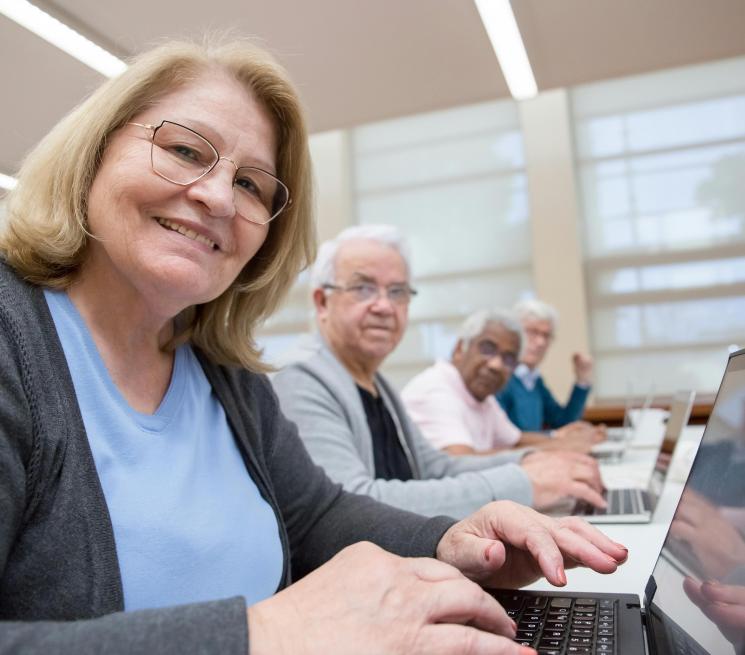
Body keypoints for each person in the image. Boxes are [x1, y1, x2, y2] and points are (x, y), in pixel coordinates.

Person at [0, 39, 628, 655]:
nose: (218, 197)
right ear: (92, 155)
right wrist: (266, 635)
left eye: (251, 185)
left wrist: (452, 540)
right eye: (185, 149)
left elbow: (317, 514)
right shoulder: (14, 337)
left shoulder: (225, 374)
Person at [273, 225, 608, 520]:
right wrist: (521, 483)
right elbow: (350, 506)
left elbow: (434, 468)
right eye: (363, 288)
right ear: (321, 302)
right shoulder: (301, 379)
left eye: (398, 292)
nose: (384, 306)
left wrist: (532, 461)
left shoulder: (377, 384)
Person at [401, 309, 605, 456]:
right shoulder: (436, 389)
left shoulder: (481, 396)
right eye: (487, 348)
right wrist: (557, 446)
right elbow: (461, 461)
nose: (497, 365)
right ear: (459, 349)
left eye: (509, 359)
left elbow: (515, 439)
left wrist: (568, 441)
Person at [497, 299, 593, 431]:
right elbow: (507, 438)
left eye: (546, 335)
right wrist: (552, 437)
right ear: (514, 334)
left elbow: (563, 423)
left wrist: (582, 380)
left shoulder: (533, 380)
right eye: (532, 332)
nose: (541, 342)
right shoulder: (498, 379)